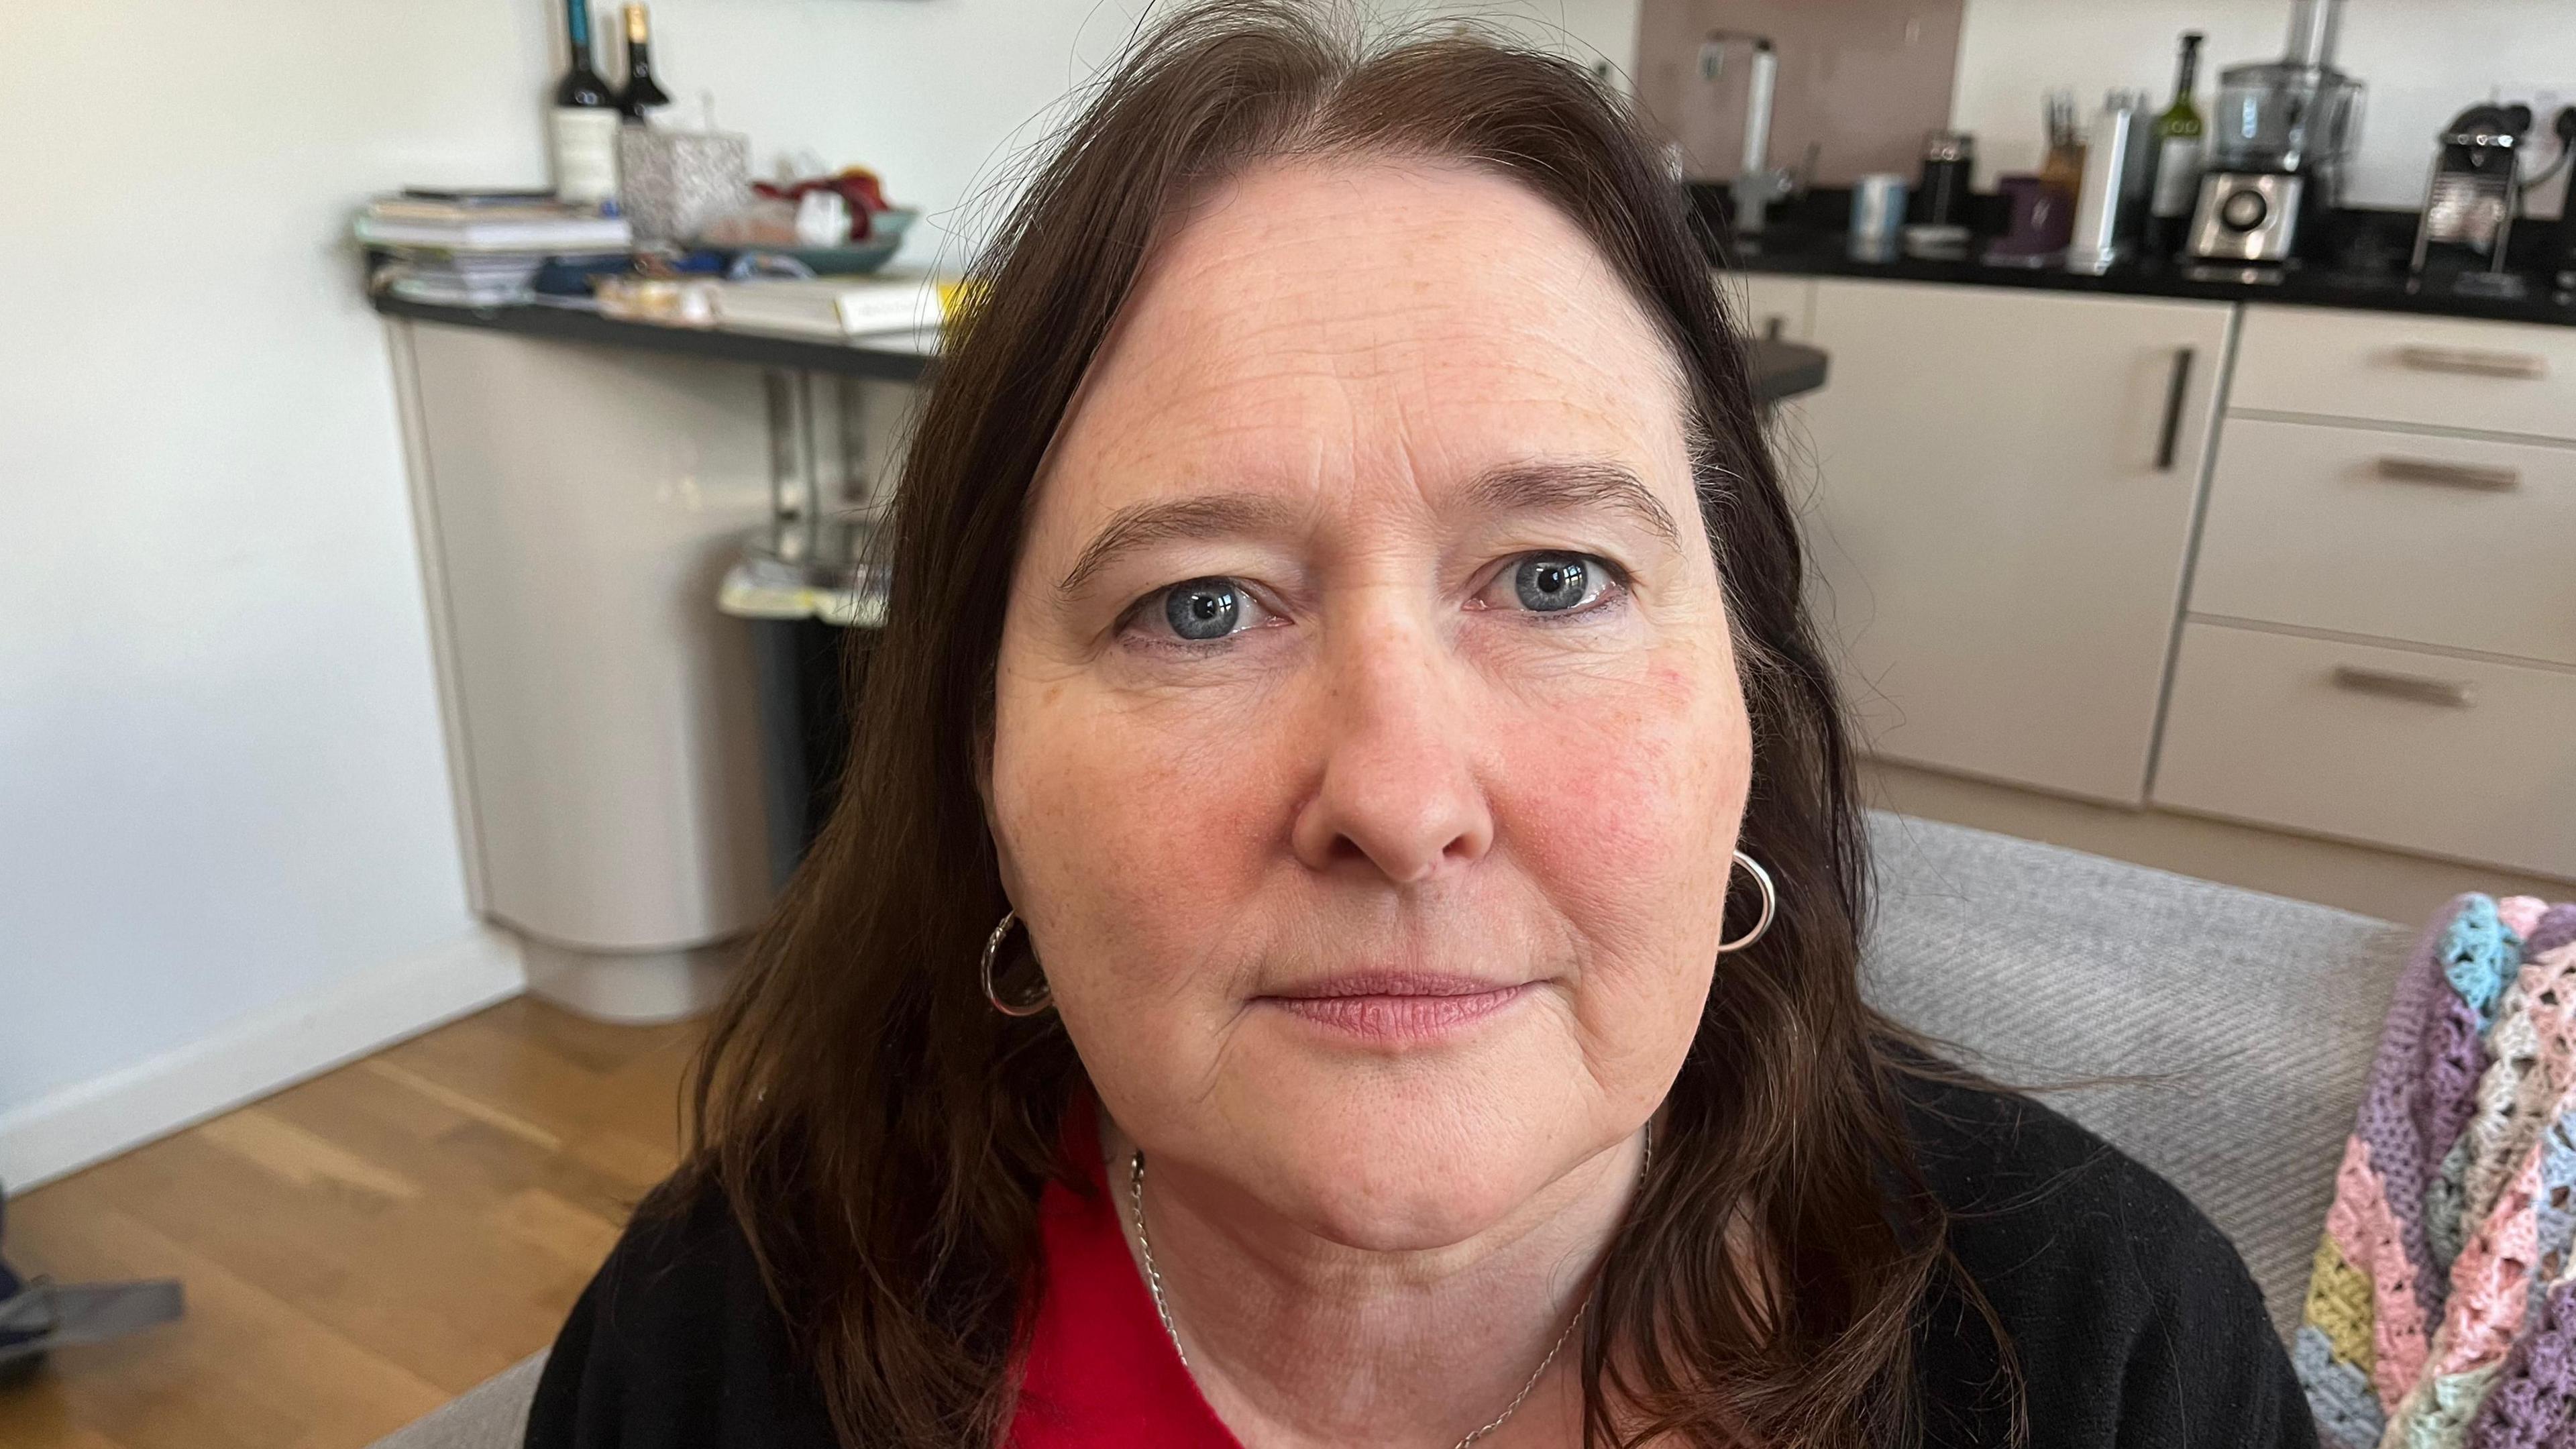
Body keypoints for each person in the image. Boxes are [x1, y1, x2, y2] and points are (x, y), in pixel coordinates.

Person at [526, 4, 2315, 1446]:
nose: (1398, 799)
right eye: (1200, 604)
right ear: (981, 764)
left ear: (1751, 706)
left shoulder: (2104, 1351)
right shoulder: (719, 1350)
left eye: (1552, 580)